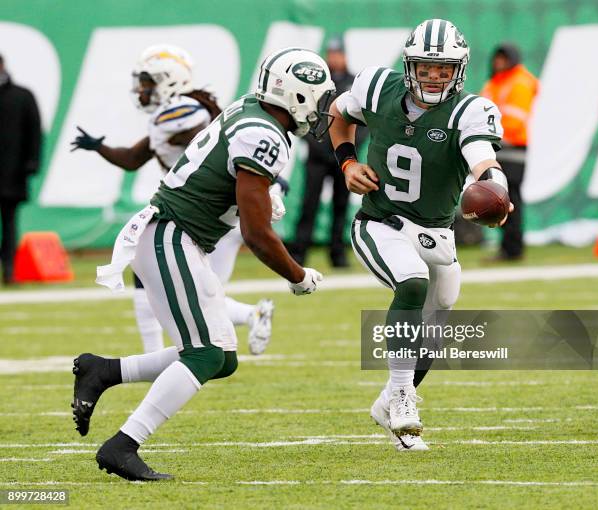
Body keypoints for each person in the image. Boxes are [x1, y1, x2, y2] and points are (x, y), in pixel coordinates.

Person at [71, 47, 335, 481]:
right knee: (206, 353)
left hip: (178, 236)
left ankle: (104, 371)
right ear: (297, 95)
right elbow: (255, 234)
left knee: (223, 358)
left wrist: (262, 191)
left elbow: (224, 171)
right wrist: (298, 274)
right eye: (318, 98)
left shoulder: (253, 111)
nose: (321, 109)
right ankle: (123, 445)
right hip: (172, 235)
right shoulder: (264, 133)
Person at [329, 19, 512, 451]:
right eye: (426, 67)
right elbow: (338, 116)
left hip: (435, 230)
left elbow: (483, 161)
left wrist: (497, 192)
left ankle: (386, 402)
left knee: (438, 315)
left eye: (443, 69)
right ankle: (404, 398)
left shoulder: (469, 110)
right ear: (410, 65)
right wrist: (347, 163)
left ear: (459, 70)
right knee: (411, 282)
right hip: (380, 221)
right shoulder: (376, 86)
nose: (433, 76)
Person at [71, 45, 284, 355]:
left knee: (195, 291)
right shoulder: (184, 111)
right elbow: (133, 158)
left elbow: (210, 143)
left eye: (147, 82)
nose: (141, 90)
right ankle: (246, 318)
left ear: (167, 80)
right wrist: (99, 148)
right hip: (212, 211)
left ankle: (237, 325)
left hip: (216, 215)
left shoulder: (183, 113)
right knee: (166, 281)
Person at [290, 37, 365, 267]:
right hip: (317, 156)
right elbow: (303, 113)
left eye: (338, 53)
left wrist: (351, 148)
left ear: (344, 55)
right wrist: (314, 143)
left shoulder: (355, 83)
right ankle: (299, 253)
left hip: (343, 157)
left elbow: (363, 120)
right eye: (331, 53)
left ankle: (337, 254)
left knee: (340, 206)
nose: (334, 58)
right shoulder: (318, 83)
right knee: (308, 203)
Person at [481, 43, 538, 261]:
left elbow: (515, 119)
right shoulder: (496, 83)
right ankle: (507, 248)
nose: (498, 63)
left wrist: (490, 133)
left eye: (503, 59)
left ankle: (513, 249)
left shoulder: (519, 82)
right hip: (499, 148)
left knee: (510, 199)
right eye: (497, 58)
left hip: (512, 149)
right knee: (500, 199)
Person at [0, 54, 42, 285]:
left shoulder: (22, 96)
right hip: (10, 174)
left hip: (11, 174)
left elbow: (34, 132)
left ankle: (8, 270)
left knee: (9, 222)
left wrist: (32, 163)